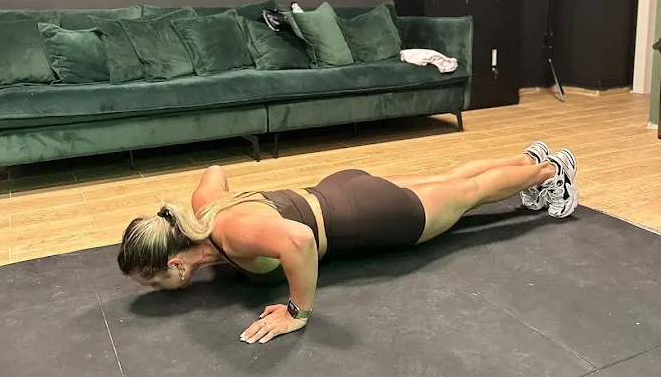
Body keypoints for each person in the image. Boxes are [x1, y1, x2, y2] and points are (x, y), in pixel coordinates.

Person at [117, 142, 578, 345]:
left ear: (176, 264)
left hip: (370, 217)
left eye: (153, 282)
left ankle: (553, 170)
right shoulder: (204, 208)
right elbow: (214, 171)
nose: (157, 290)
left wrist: (297, 311)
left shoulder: (232, 235)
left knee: (468, 194)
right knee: (450, 181)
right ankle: (527, 159)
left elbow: (298, 240)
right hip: (342, 189)